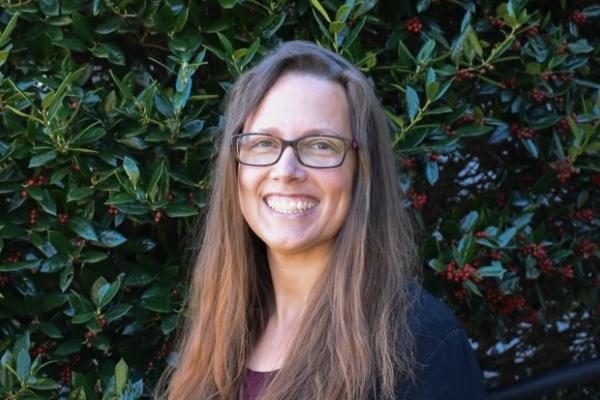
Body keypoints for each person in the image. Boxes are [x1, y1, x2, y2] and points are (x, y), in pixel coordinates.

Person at [157, 40, 485, 400]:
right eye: (263, 143)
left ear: (363, 171)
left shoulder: (421, 345)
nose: (286, 171)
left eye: (321, 146)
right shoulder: (223, 328)